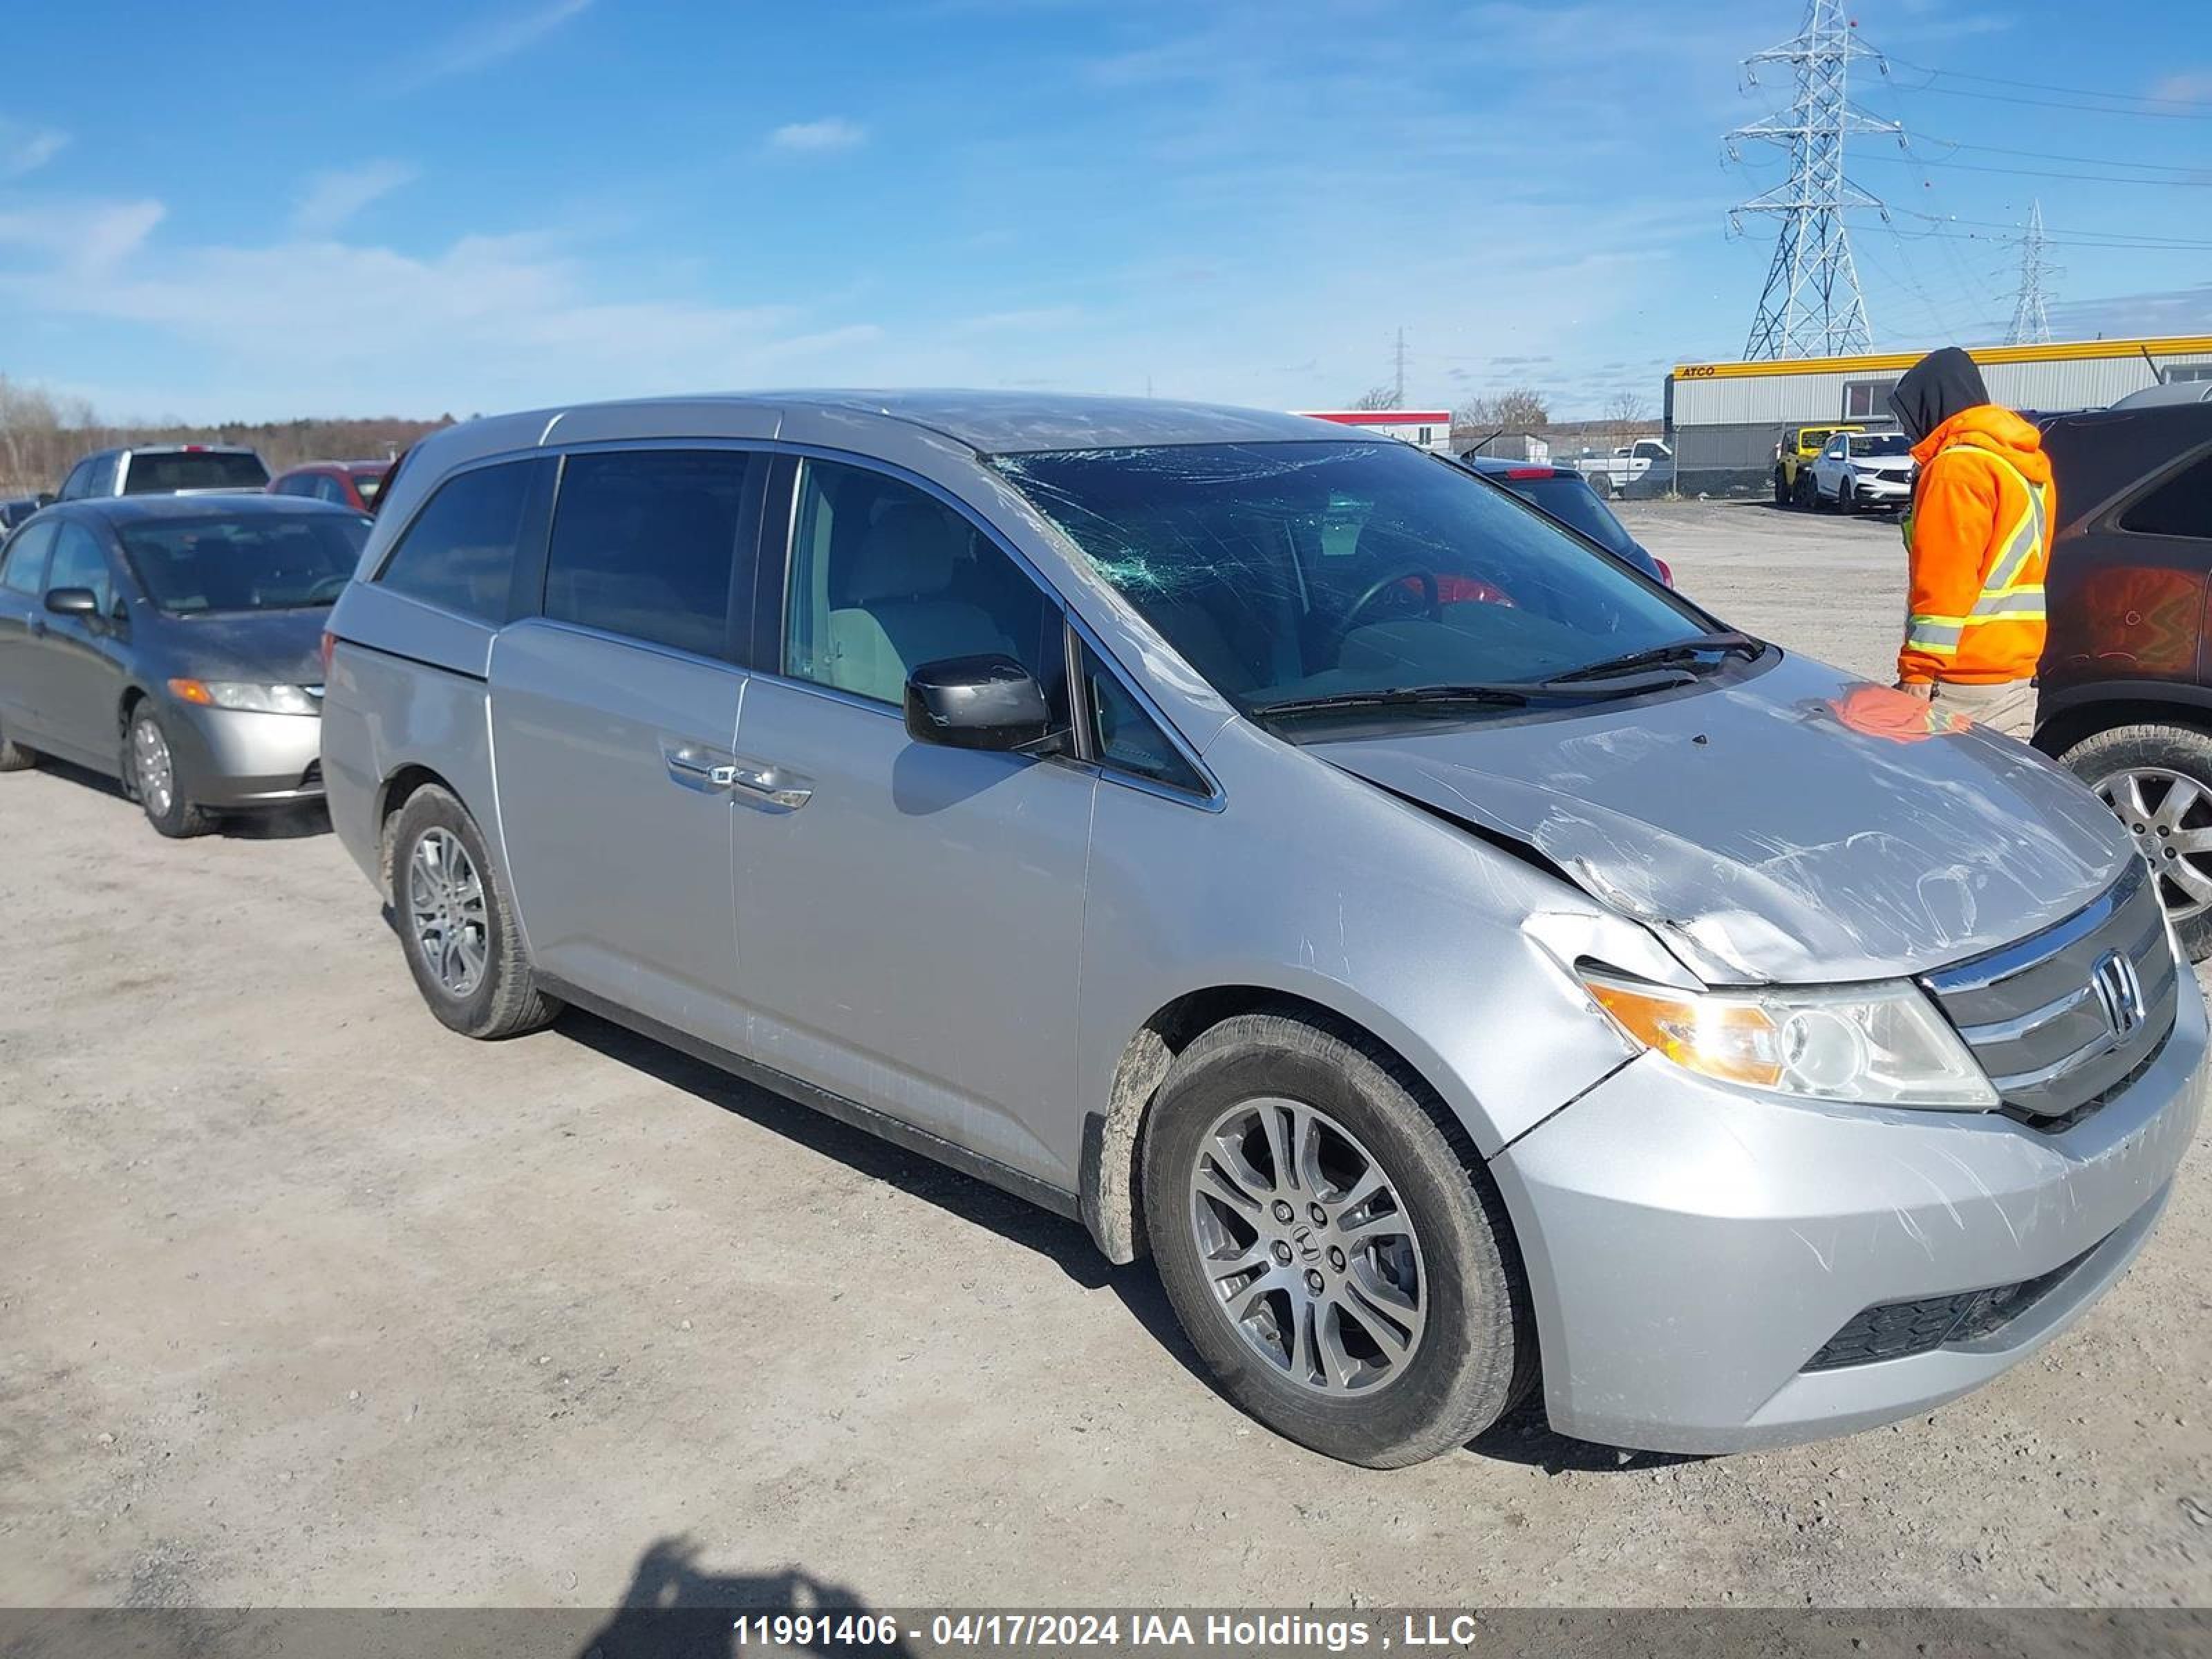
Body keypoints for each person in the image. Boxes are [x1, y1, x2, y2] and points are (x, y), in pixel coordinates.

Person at [1887, 346, 2056, 739]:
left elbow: (1946, 581)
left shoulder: (1956, 468)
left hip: (1962, 675)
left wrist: (1918, 672)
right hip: (2014, 670)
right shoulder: (2022, 464)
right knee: (1997, 792)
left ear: (1932, 404)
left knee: (1942, 795)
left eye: (1909, 416)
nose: (1909, 430)